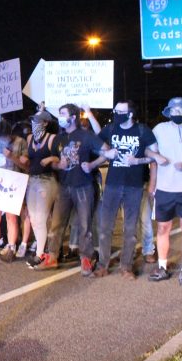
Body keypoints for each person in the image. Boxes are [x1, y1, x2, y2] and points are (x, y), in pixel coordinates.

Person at [33, 103, 116, 273]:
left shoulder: (86, 136)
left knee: (84, 225)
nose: (60, 117)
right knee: (56, 224)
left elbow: (107, 151)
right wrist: (58, 165)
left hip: (84, 187)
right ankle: (52, 257)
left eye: (63, 114)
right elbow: (56, 163)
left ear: (72, 118)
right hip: (64, 186)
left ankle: (86, 258)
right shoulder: (58, 138)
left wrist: (92, 165)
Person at [91, 100, 156, 279]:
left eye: (119, 111)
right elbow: (98, 138)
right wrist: (88, 112)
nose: (115, 113)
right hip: (112, 184)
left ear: (130, 114)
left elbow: (154, 156)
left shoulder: (143, 131)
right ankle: (103, 265)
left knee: (130, 229)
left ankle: (126, 266)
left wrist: (138, 161)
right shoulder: (112, 129)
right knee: (105, 227)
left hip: (134, 187)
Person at [146, 97, 182, 286]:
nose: (178, 114)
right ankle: (162, 266)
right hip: (165, 188)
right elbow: (147, 151)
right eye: (174, 111)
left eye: (181, 110)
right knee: (163, 228)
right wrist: (156, 156)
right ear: (168, 112)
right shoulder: (159, 130)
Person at [0, 120, 29, 263]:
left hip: (13, 182)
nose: (2, 139)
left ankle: (11, 247)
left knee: (11, 218)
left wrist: (12, 156)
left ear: (9, 134)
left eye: (4, 136)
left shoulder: (20, 143)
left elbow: (26, 166)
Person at [24, 109, 58, 267]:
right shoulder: (29, 138)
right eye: (32, 120)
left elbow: (62, 158)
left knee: (42, 218)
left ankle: (40, 254)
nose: (34, 123)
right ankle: (41, 248)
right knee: (34, 219)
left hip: (46, 180)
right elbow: (27, 159)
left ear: (45, 123)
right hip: (32, 180)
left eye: (37, 121)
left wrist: (51, 158)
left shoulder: (52, 139)